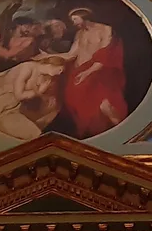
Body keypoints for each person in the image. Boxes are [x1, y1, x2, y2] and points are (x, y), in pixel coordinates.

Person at [42, 8, 127, 138]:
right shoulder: (79, 34)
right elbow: (71, 54)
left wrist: (87, 72)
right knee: (73, 100)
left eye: (75, 19)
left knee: (105, 105)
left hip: (99, 73)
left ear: (84, 16)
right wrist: (47, 56)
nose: (74, 23)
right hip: (78, 72)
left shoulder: (105, 30)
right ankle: (91, 134)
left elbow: (106, 55)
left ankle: (122, 133)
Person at [0, 57, 65, 140]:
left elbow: (34, 96)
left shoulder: (46, 77)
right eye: (60, 69)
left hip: (14, 107)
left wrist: (42, 95)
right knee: (33, 134)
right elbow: (19, 95)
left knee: (36, 133)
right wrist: (39, 92)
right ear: (51, 64)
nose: (60, 73)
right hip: (0, 103)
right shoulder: (27, 67)